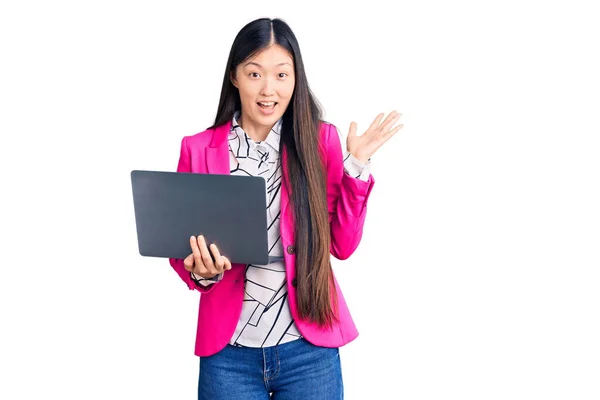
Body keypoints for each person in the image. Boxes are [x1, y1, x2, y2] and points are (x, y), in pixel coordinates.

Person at [167, 17, 403, 399]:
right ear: (234, 77)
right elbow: (182, 252)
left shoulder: (319, 141)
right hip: (229, 356)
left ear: (296, 79)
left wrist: (355, 168)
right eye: (255, 73)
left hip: (308, 352)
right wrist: (201, 272)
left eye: (281, 74)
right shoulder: (198, 149)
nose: (268, 89)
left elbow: (341, 245)